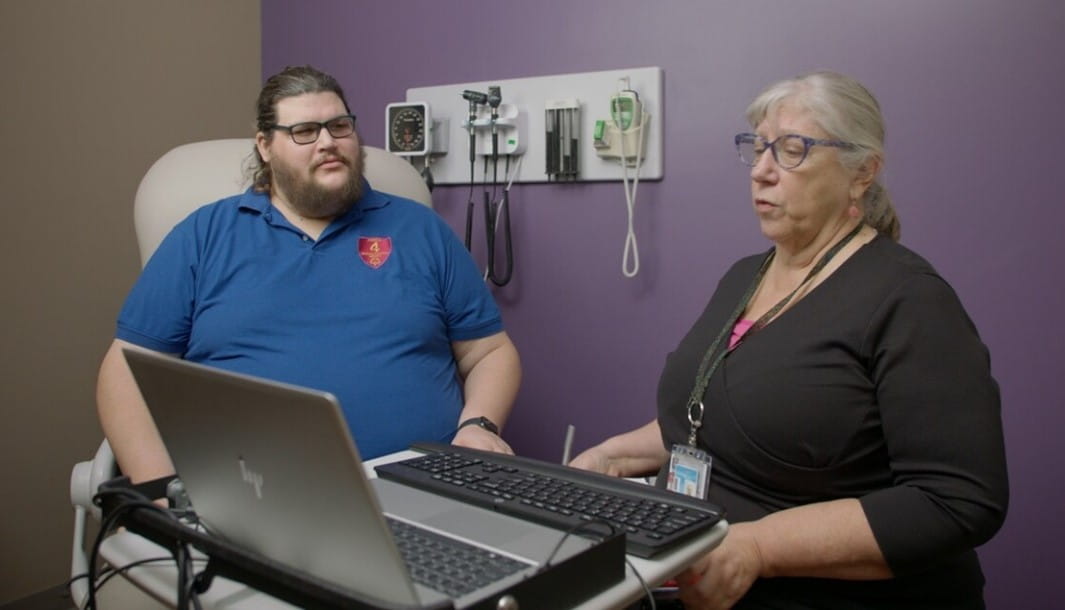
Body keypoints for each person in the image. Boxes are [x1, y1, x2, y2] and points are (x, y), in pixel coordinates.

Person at [571, 71, 1007, 609]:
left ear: (861, 173)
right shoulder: (745, 276)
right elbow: (716, 418)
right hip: (694, 578)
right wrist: (608, 458)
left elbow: (955, 501)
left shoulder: (909, 300)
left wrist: (756, 548)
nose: (761, 171)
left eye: (792, 151)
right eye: (757, 149)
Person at [97, 65, 520, 486]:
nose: (328, 143)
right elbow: (126, 370)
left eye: (339, 126)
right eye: (304, 131)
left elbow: (488, 353)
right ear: (265, 145)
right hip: (257, 498)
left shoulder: (421, 229)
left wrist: (478, 426)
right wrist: (159, 492)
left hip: (424, 488)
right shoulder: (203, 236)